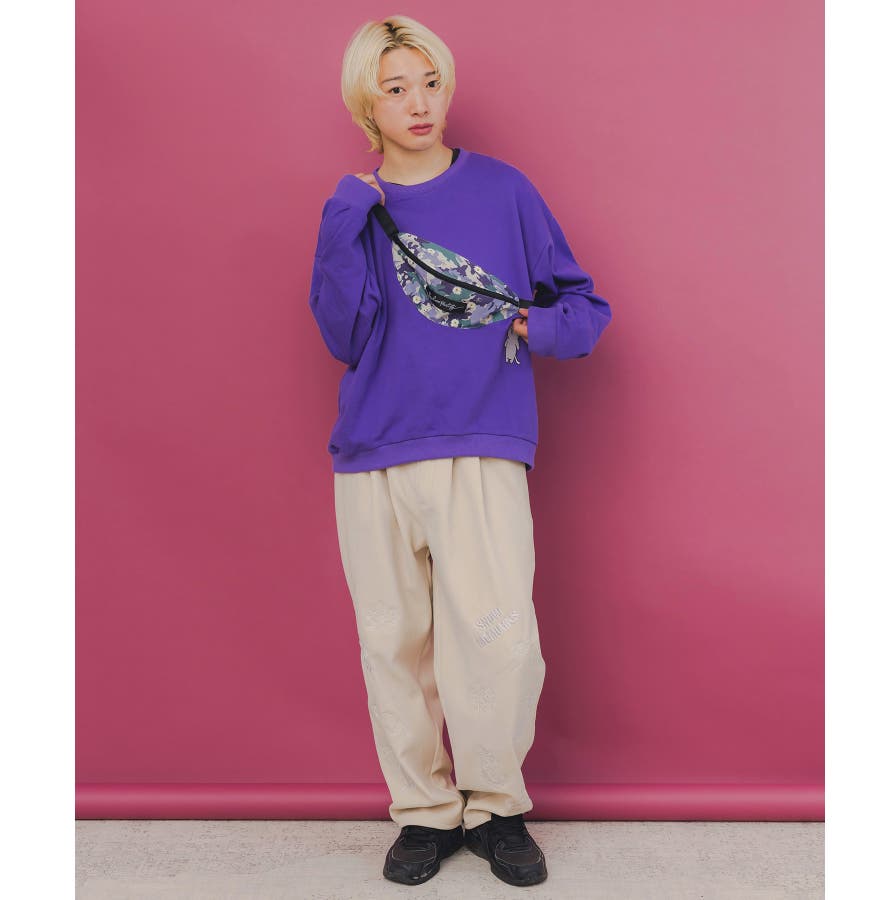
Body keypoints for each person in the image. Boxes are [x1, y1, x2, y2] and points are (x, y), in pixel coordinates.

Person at [308, 14, 612, 888]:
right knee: (392, 644)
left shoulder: (504, 191)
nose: (419, 102)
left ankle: (496, 806)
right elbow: (344, 334)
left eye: (431, 82)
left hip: (482, 441)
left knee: (497, 637)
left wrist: (535, 326)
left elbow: (583, 305)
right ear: (366, 102)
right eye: (396, 87)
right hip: (374, 450)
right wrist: (343, 219)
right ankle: (423, 813)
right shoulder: (357, 208)